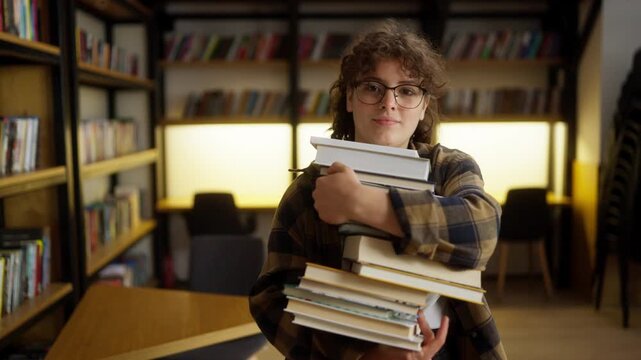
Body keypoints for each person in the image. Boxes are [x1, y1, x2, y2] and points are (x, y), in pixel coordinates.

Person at [250, 19, 507, 360]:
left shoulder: (450, 168)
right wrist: (362, 355)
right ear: (350, 99)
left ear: (424, 105)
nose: (389, 103)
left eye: (407, 90)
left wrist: (359, 203)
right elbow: (270, 297)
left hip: (453, 349)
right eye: (373, 87)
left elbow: (482, 232)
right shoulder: (311, 189)